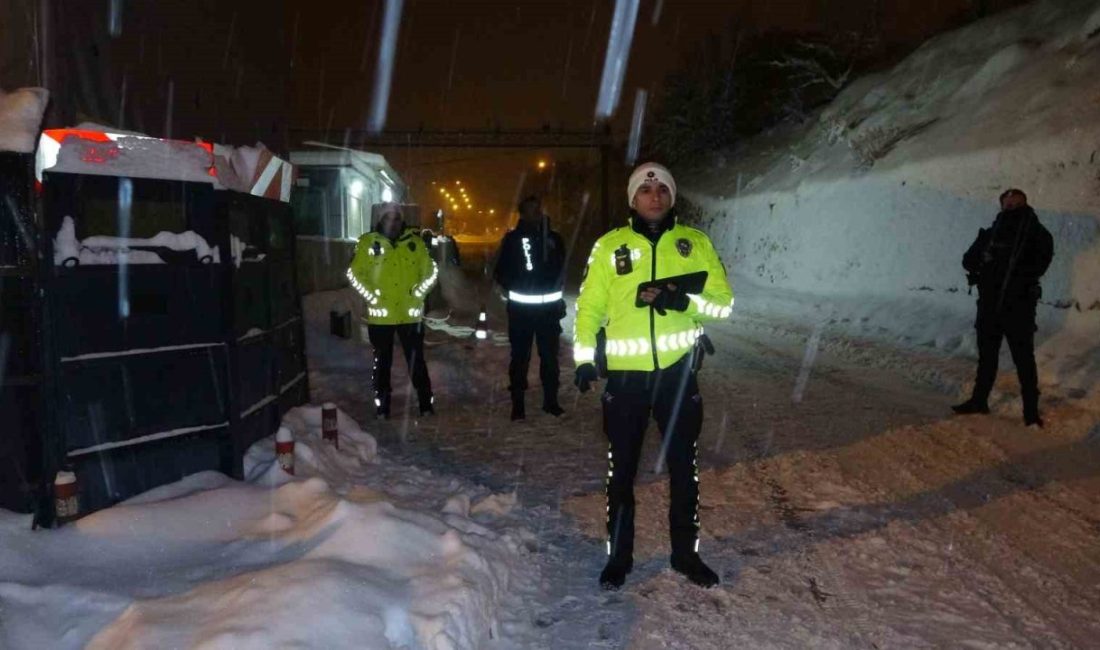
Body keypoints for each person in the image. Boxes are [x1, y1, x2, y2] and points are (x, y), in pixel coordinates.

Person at [573, 162, 734, 590]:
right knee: (621, 472)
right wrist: (584, 358)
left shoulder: (695, 243)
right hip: (625, 381)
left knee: (685, 470)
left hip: (679, 376)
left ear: (671, 195)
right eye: (646, 190)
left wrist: (681, 299)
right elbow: (588, 309)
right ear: (632, 198)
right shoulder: (609, 247)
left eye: (662, 188)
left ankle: (686, 556)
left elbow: (723, 304)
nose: (655, 196)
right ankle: (618, 559)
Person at [953, 188, 1053, 427]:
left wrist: (1002, 267)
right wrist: (986, 262)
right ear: (1001, 207)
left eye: (1016, 204)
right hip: (989, 305)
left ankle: (1031, 412)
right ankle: (979, 401)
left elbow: (1038, 266)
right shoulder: (991, 233)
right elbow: (968, 260)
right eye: (1007, 205)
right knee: (987, 357)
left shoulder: (1037, 234)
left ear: (1025, 204)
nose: (1011, 209)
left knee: (1024, 360)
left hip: (1018, 307)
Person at [347, 203, 439, 418]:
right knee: (381, 364)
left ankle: (426, 403)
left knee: (417, 362)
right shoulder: (368, 243)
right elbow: (354, 274)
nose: (393, 222)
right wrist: (372, 297)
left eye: (397, 218)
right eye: (388, 218)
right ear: (381, 220)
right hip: (381, 319)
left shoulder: (415, 244)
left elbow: (431, 272)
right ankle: (383, 405)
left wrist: (419, 293)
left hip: (410, 316)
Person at [493, 195, 567, 420]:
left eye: (538, 209)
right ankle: (518, 405)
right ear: (522, 214)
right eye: (531, 210)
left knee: (550, 358)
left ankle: (551, 402)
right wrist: (516, 286)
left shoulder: (554, 239)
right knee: (519, 358)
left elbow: (563, 268)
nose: (536, 214)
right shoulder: (513, 239)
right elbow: (500, 270)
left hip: (548, 311)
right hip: (521, 312)